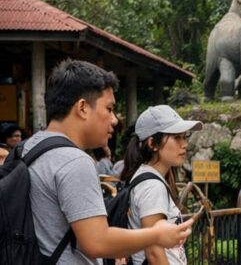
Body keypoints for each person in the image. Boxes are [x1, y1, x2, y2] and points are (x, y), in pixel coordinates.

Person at [23, 59, 193, 264]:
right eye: (109, 109)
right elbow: (97, 242)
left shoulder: (30, 148)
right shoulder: (75, 162)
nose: (114, 119)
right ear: (83, 108)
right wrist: (156, 235)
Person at [121, 105, 203, 265]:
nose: (184, 144)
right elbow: (154, 253)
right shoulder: (152, 185)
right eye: (177, 137)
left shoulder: (149, 178)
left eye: (184, 137)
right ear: (153, 143)